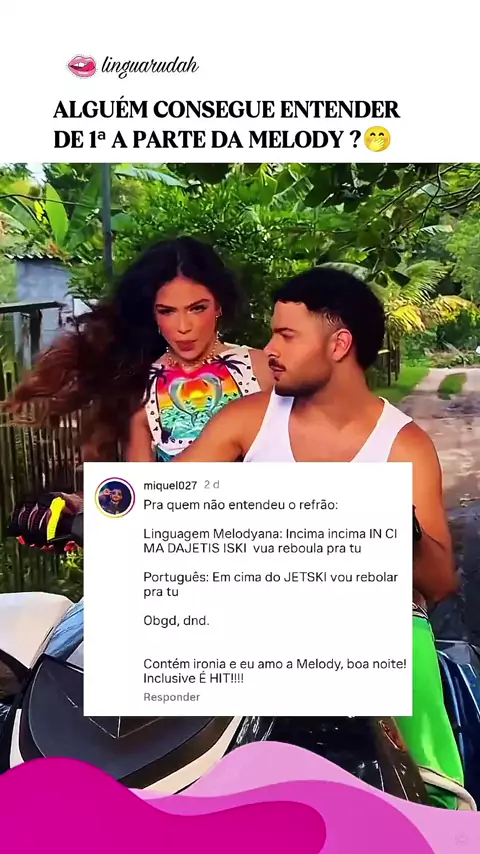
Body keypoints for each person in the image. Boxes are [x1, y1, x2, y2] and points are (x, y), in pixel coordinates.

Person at [170, 265, 465, 808]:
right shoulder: (248, 420)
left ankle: (440, 812)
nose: (269, 350)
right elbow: (162, 500)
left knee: (407, 658)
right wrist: (79, 510)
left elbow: (440, 582)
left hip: (374, 627)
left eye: (286, 335)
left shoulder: (404, 446)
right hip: (255, 619)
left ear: (339, 345)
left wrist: (403, 531)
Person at [2, 236, 272, 463]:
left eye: (197, 308)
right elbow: (143, 493)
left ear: (219, 305)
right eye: (167, 311)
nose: (183, 327)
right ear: (152, 314)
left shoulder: (263, 369)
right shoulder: (141, 387)